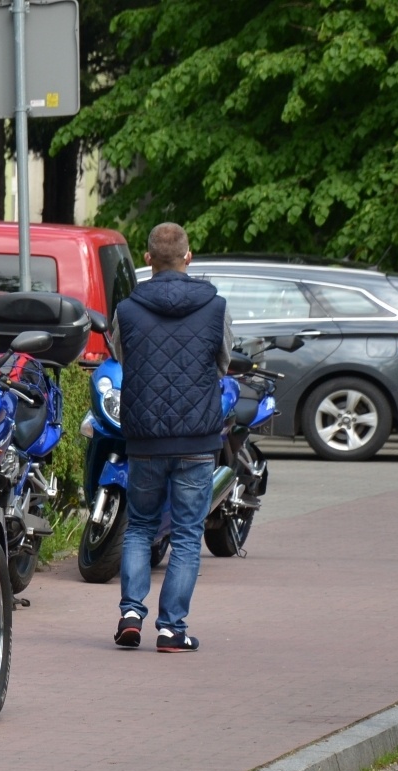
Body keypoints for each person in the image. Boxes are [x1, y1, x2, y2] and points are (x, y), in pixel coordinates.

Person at [111, 222, 234, 653]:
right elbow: (223, 363)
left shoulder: (126, 309)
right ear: (189, 256)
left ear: (147, 259)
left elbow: (120, 357)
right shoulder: (215, 306)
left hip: (144, 438)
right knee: (185, 534)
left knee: (139, 526)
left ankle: (130, 613)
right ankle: (171, 630)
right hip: (197, 438)